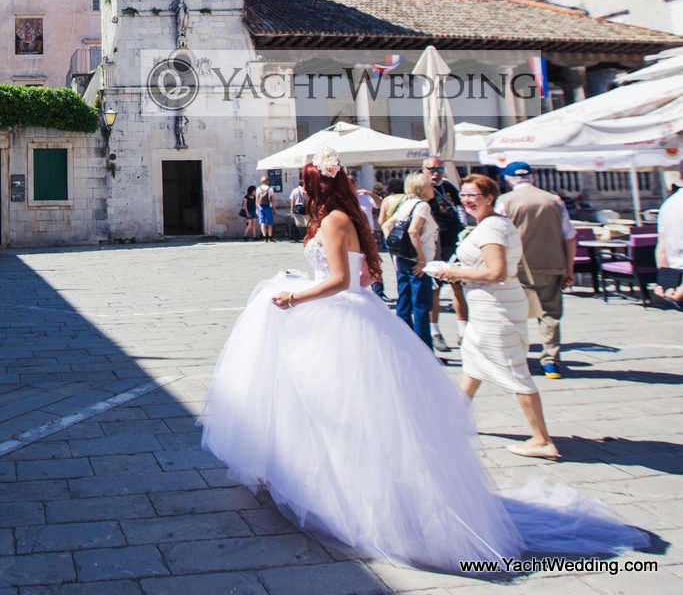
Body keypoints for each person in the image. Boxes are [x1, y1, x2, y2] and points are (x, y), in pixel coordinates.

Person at [200, 147, 647, 572]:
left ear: (316, 184)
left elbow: (338, 281)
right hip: (356, 314)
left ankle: (349, 498)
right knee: (341, 411)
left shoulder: (334, 220)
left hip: (340, 318)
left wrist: (294, 296)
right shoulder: (346, 216)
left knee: (338, 411)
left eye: (305, 182)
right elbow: (361, 278)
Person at [432, 175, 558, 459]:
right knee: (473, 362)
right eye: (464, 195)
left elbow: (496, 272)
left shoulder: (491, 228)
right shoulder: (490, 224)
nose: (467, 200)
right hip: (487, 306)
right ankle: (454, 419)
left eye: (473, 195)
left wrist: (455, 272)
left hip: (497, 307)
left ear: (489, 198)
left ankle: (541, 439)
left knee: (515, 370)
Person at [495, 162, 576, 379]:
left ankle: (515, 359)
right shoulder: (554, 200)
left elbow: (497, 234)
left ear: (508, 179)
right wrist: (569, 268)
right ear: (532, 177)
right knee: (550, 314)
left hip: (517, 267)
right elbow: (569, 236)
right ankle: (551, 361)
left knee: (513, 312)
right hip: (551, 264)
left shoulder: (505, 201)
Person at [382, 172, 438, 348]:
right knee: (421, 306)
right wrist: (421, 259)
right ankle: (424, 349)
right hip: (417, 260)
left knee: (404, 303)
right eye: (429, 185)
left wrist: (394, 252)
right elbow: (413, 231)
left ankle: (404, 344)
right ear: (421, 189)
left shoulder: (406, 204)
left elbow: (386, 225)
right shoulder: (422, 206)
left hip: (403, 258)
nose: (433, 188)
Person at [423, 156, 468, 353]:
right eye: (432, 169)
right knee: (434, 290)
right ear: (424, 170)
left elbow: (460, 207)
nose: (436, 173)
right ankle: (435, 332)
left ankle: (464, 331)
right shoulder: (422, 188)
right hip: (434, 244)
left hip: (453, 242)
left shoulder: (448, 186)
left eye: (439, 169)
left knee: (459, 286)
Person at [654, 159, 683, 306]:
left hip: (676, 275)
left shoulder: (668, 204)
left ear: (679, 175)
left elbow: (662, 249)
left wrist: (664, 282)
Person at [255, 174, 277, 242]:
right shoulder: (270, 189)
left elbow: (257, 199)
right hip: (268, 206)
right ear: (267, 181)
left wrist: (257, 208)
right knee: (270, 222)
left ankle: (265, 238)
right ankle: (270, 237)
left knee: (262, 222)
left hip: (260, 207)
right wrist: (274, 209)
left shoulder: (258, 189)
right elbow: (273, 200)